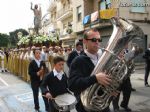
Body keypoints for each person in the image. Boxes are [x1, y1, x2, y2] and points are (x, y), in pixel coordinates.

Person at [68, 28, 113, 112]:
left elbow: (109, 78)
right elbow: (72, 84)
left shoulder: (104, 57)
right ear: (85, 41)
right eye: (93, 40)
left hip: (103, 105)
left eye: (99, 39)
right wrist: (95, 78)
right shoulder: (78, 60)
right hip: (86, 107)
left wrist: (111, 90)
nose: (97, 42)